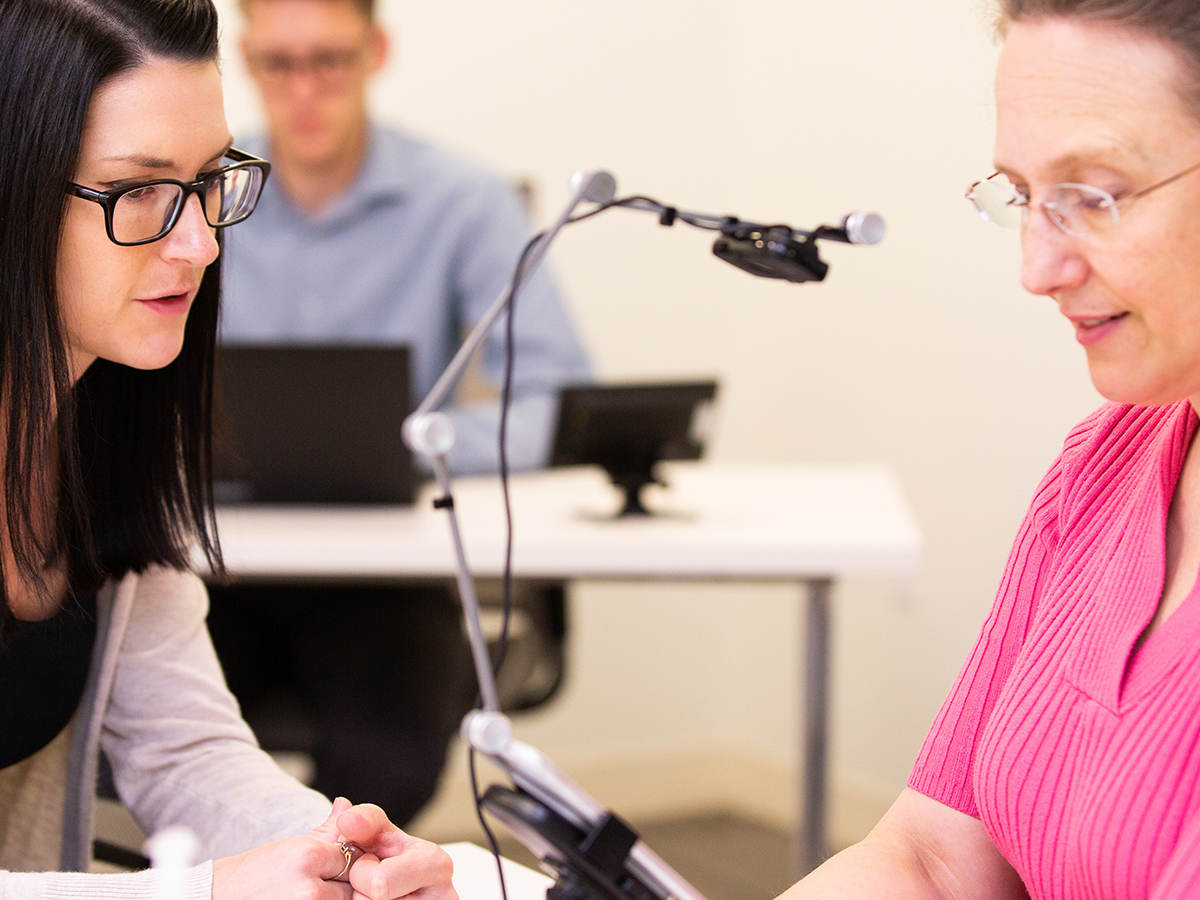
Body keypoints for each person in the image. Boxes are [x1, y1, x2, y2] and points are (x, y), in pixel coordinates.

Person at [0, 0, 456, 896]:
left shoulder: (108, 432)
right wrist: (201, 890)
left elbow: (186, 751)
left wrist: (345, 855)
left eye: (212, 179)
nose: (201, 241)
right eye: (137, 190)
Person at [779, 1, 1200, 897]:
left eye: (1094, 196)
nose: (1038, 269)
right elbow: (930, 860)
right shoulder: (1103, 467)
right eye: (1024, 198)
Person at [206, 0, 592, 827]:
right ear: (245, 57)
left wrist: (417, 445)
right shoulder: (199, 193)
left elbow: (556, 393)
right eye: (279, 63)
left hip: (387, 577)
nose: (304, 89)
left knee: (389, 763)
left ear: (376, 50)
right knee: (148, 743)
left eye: (329, 61)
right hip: (212, 571)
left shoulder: (465, 200)